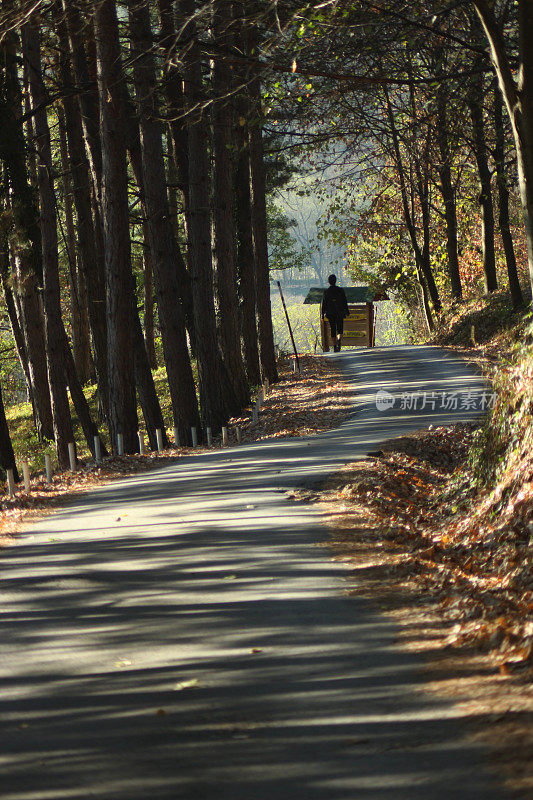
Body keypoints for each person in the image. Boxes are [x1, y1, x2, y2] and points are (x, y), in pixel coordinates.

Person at [321, 274, 349, 352]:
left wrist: (322, 315)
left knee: (333, 329)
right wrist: (347, 311)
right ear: (335, 281)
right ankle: (339, 341)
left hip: (330, 313)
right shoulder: (341, 290)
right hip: (340, 313)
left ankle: (334, 346)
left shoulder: (326, 292)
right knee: (340, 329)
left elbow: (324, 304)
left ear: (329, 282)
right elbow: (344, 302)